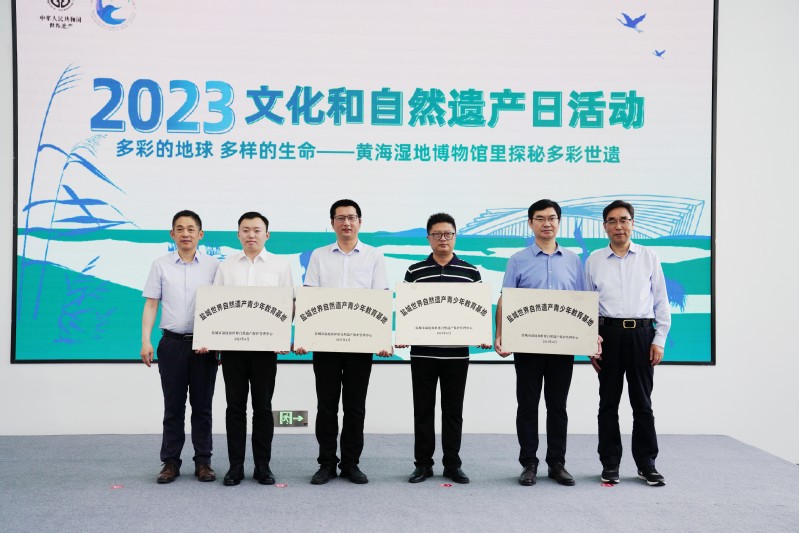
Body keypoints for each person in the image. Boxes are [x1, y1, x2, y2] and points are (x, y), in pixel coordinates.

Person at [294, 199, 391, 485]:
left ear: (360, 221)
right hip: (325, 344)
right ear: (332, 223)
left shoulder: (374, 256)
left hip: (360, 344)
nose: (346, 223)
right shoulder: (319, 256)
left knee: (355, 407)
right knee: (326, 407)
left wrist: (383, 339)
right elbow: (310, 297)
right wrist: (304, 336)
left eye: (351, 217)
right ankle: (326, 463)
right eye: (340, 218)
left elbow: (381, 298)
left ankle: (351, 463)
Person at [494, 199, 586, 487]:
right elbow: (506, 299)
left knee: (558, 406)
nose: (547, 223)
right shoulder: (517, 260)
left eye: (552, 218)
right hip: (527, 346)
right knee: (528, 405)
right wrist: (500, 334)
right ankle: (529, 463)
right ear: (530, 223)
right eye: (540, 218)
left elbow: (583, 302)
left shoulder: (573, 260)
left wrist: (589, 337)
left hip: (562, 346)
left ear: (559, 222)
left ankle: (557, 463)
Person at [397, 213, 491, 485]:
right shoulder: (415, 271)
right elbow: (406, 309)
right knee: (423, 410)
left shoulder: (471, 271)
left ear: (455, 237)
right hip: (423, 353)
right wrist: (403, 332)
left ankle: (452, 464)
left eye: (448, 234)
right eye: (437, 234)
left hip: (456, 354)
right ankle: (422, 465)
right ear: (428, 238)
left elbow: (479, 312)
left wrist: (482, 334)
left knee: (453, 411)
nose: (443, 239)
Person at [585, 199, 671, 487]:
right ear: (605, 226)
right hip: (607, 336)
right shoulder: (594, 260)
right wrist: (590, 341)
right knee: (608, 403)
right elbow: (586, 305)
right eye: (612, 221)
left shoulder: (649, 256)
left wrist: (659, 339)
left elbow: (661, 301)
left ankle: (647, 464)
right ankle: (610, 464)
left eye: (624, 220)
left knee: (642, 404)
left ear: (632, 223)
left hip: (641, 336)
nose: (618, 226)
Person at [213, 211, 294, 486]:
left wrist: (281, 337)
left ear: (266, 235)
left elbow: (288, 305)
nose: (251, 235)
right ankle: (235, 466)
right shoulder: (226, 266)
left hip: (265, 350)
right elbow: (216, 305)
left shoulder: (280, 266)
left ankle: (262, 466)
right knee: (234, 408)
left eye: (257, 230)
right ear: (238, 234)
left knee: (263, 408)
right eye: (246, 230)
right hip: (233, 349)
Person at [141, 210, 220, 484]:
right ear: (172, 234)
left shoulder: (214, 266)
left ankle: (204, 462)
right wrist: (145, 340)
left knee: (202, 407)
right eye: (180, 228)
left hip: (204, 347)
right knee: (173, 407)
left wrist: (217, 341)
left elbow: (222, 306)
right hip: (172, 344)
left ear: (201, 234)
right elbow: (151, 304)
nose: (185, 233)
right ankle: (170, 463)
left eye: (191, 229)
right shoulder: (160, 265)